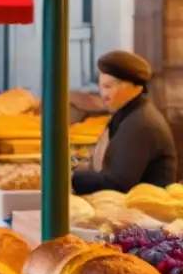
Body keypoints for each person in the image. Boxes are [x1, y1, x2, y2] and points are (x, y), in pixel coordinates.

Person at [73, 50, 177, 194]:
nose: (103, 95)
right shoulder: (127, 114)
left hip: (144, 214)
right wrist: (75, 164)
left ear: (135, 87)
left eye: (108, 87)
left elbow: (117, 183)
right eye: (101, 87)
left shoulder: (141, 125)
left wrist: (69, 178)